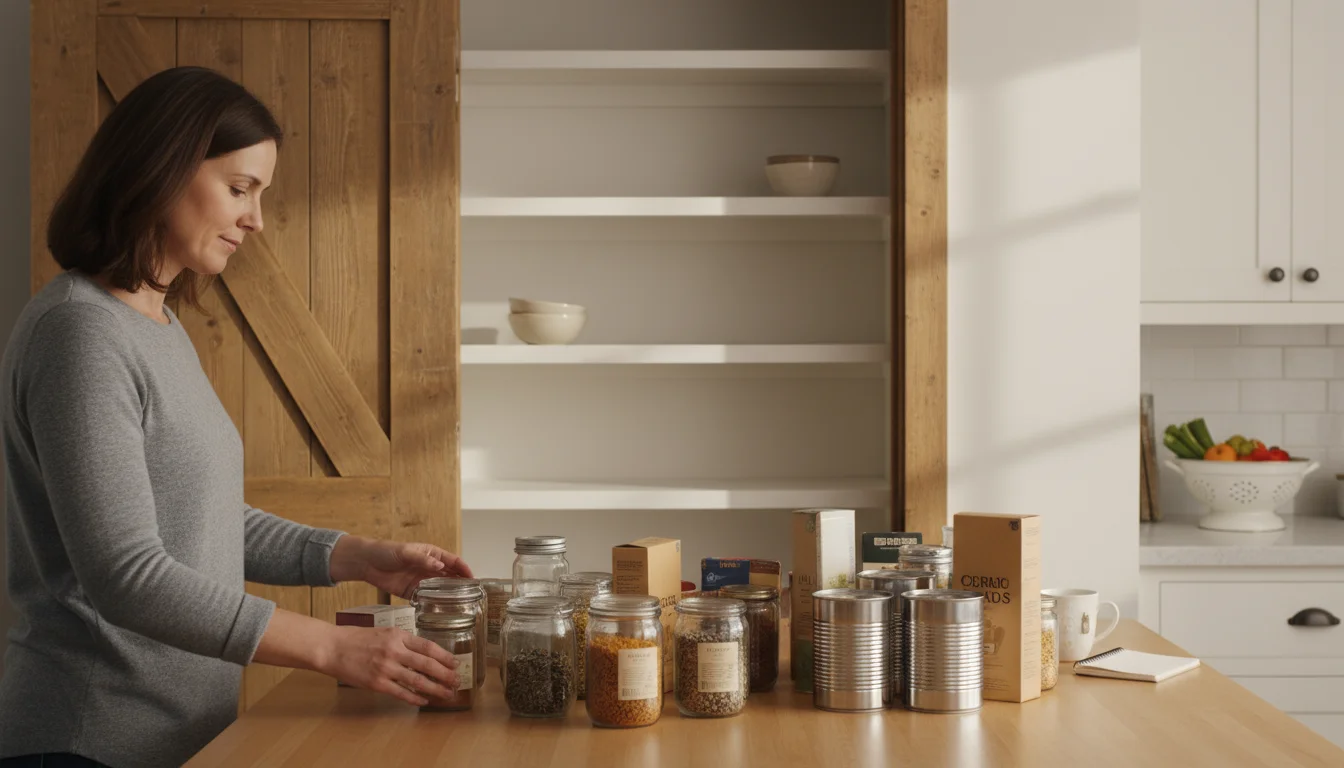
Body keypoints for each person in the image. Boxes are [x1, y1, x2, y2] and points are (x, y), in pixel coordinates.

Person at [0, 66, 470, 768]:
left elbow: (202, 516)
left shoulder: (153, 323)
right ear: (159, 169)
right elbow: (127, 573)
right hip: (86, 741)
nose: (255, 218)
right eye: (240, 188)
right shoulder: (80, 334)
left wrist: (356, 556)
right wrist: (332, 646)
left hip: (171, 739)